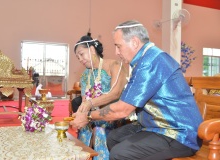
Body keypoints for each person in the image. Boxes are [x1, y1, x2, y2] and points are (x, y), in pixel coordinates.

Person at [70, 20, 203, 160]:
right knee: (114, 138)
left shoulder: (151, 62)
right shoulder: (143, 60)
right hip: (153, 125)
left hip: (178, 133)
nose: (116, 52)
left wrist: (89, 116)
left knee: (119, 153)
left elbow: (123, 109)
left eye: (118, 46)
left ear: (134, 42)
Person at [73, 35, 128, 160]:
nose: (80, 59)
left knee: (98, 130)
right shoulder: (85, 74)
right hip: (93, 116)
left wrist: (89, 104)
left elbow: (116, 93)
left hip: (114, 115)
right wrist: (79, 115)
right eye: (78, 57)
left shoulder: (114, 65)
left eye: (81, 54)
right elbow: (84, 101)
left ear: (92, 49)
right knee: (84, 128)